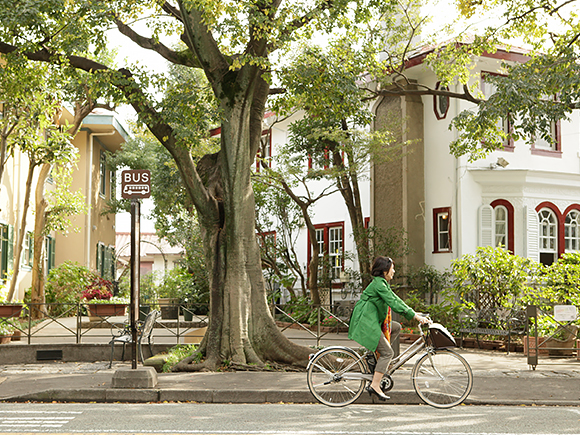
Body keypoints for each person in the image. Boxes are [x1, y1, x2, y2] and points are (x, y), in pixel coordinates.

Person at [348, 256, 431, 401]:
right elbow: (393, 302)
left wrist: (414, 313)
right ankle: (375, 384)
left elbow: (396, 299)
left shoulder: (381, 283)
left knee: (396, 327)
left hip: (370, 320)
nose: (394, 271)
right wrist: (415, 317)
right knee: (388, 353)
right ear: (385, 271)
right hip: (366, 321)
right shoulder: (379, 284)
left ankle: (377, 358)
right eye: (392, 268)